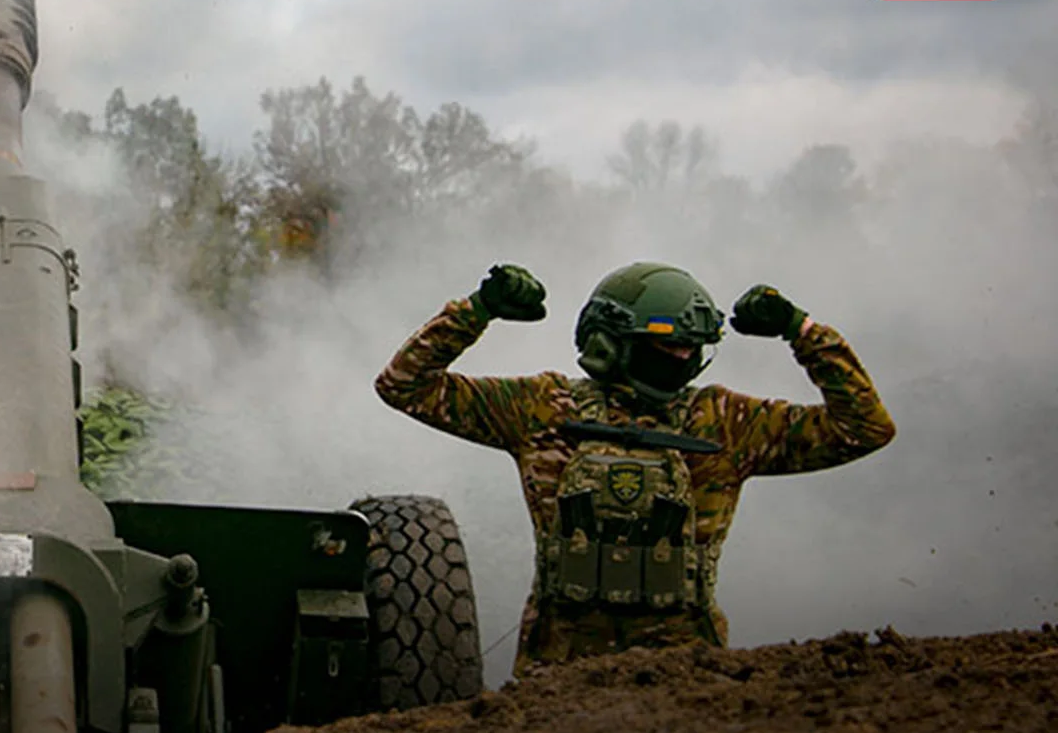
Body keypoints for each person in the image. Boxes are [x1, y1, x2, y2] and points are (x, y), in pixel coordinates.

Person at [374, 261, 896, 677]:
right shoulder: (543, 406)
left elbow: (864, 429)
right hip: (557, 672)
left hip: (687, 673)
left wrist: (801, 331)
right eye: (667, 343)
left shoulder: (726, 422)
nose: (682, 356)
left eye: (692, 348)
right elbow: (404, 385)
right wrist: (478, 310)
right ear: (609, 342)